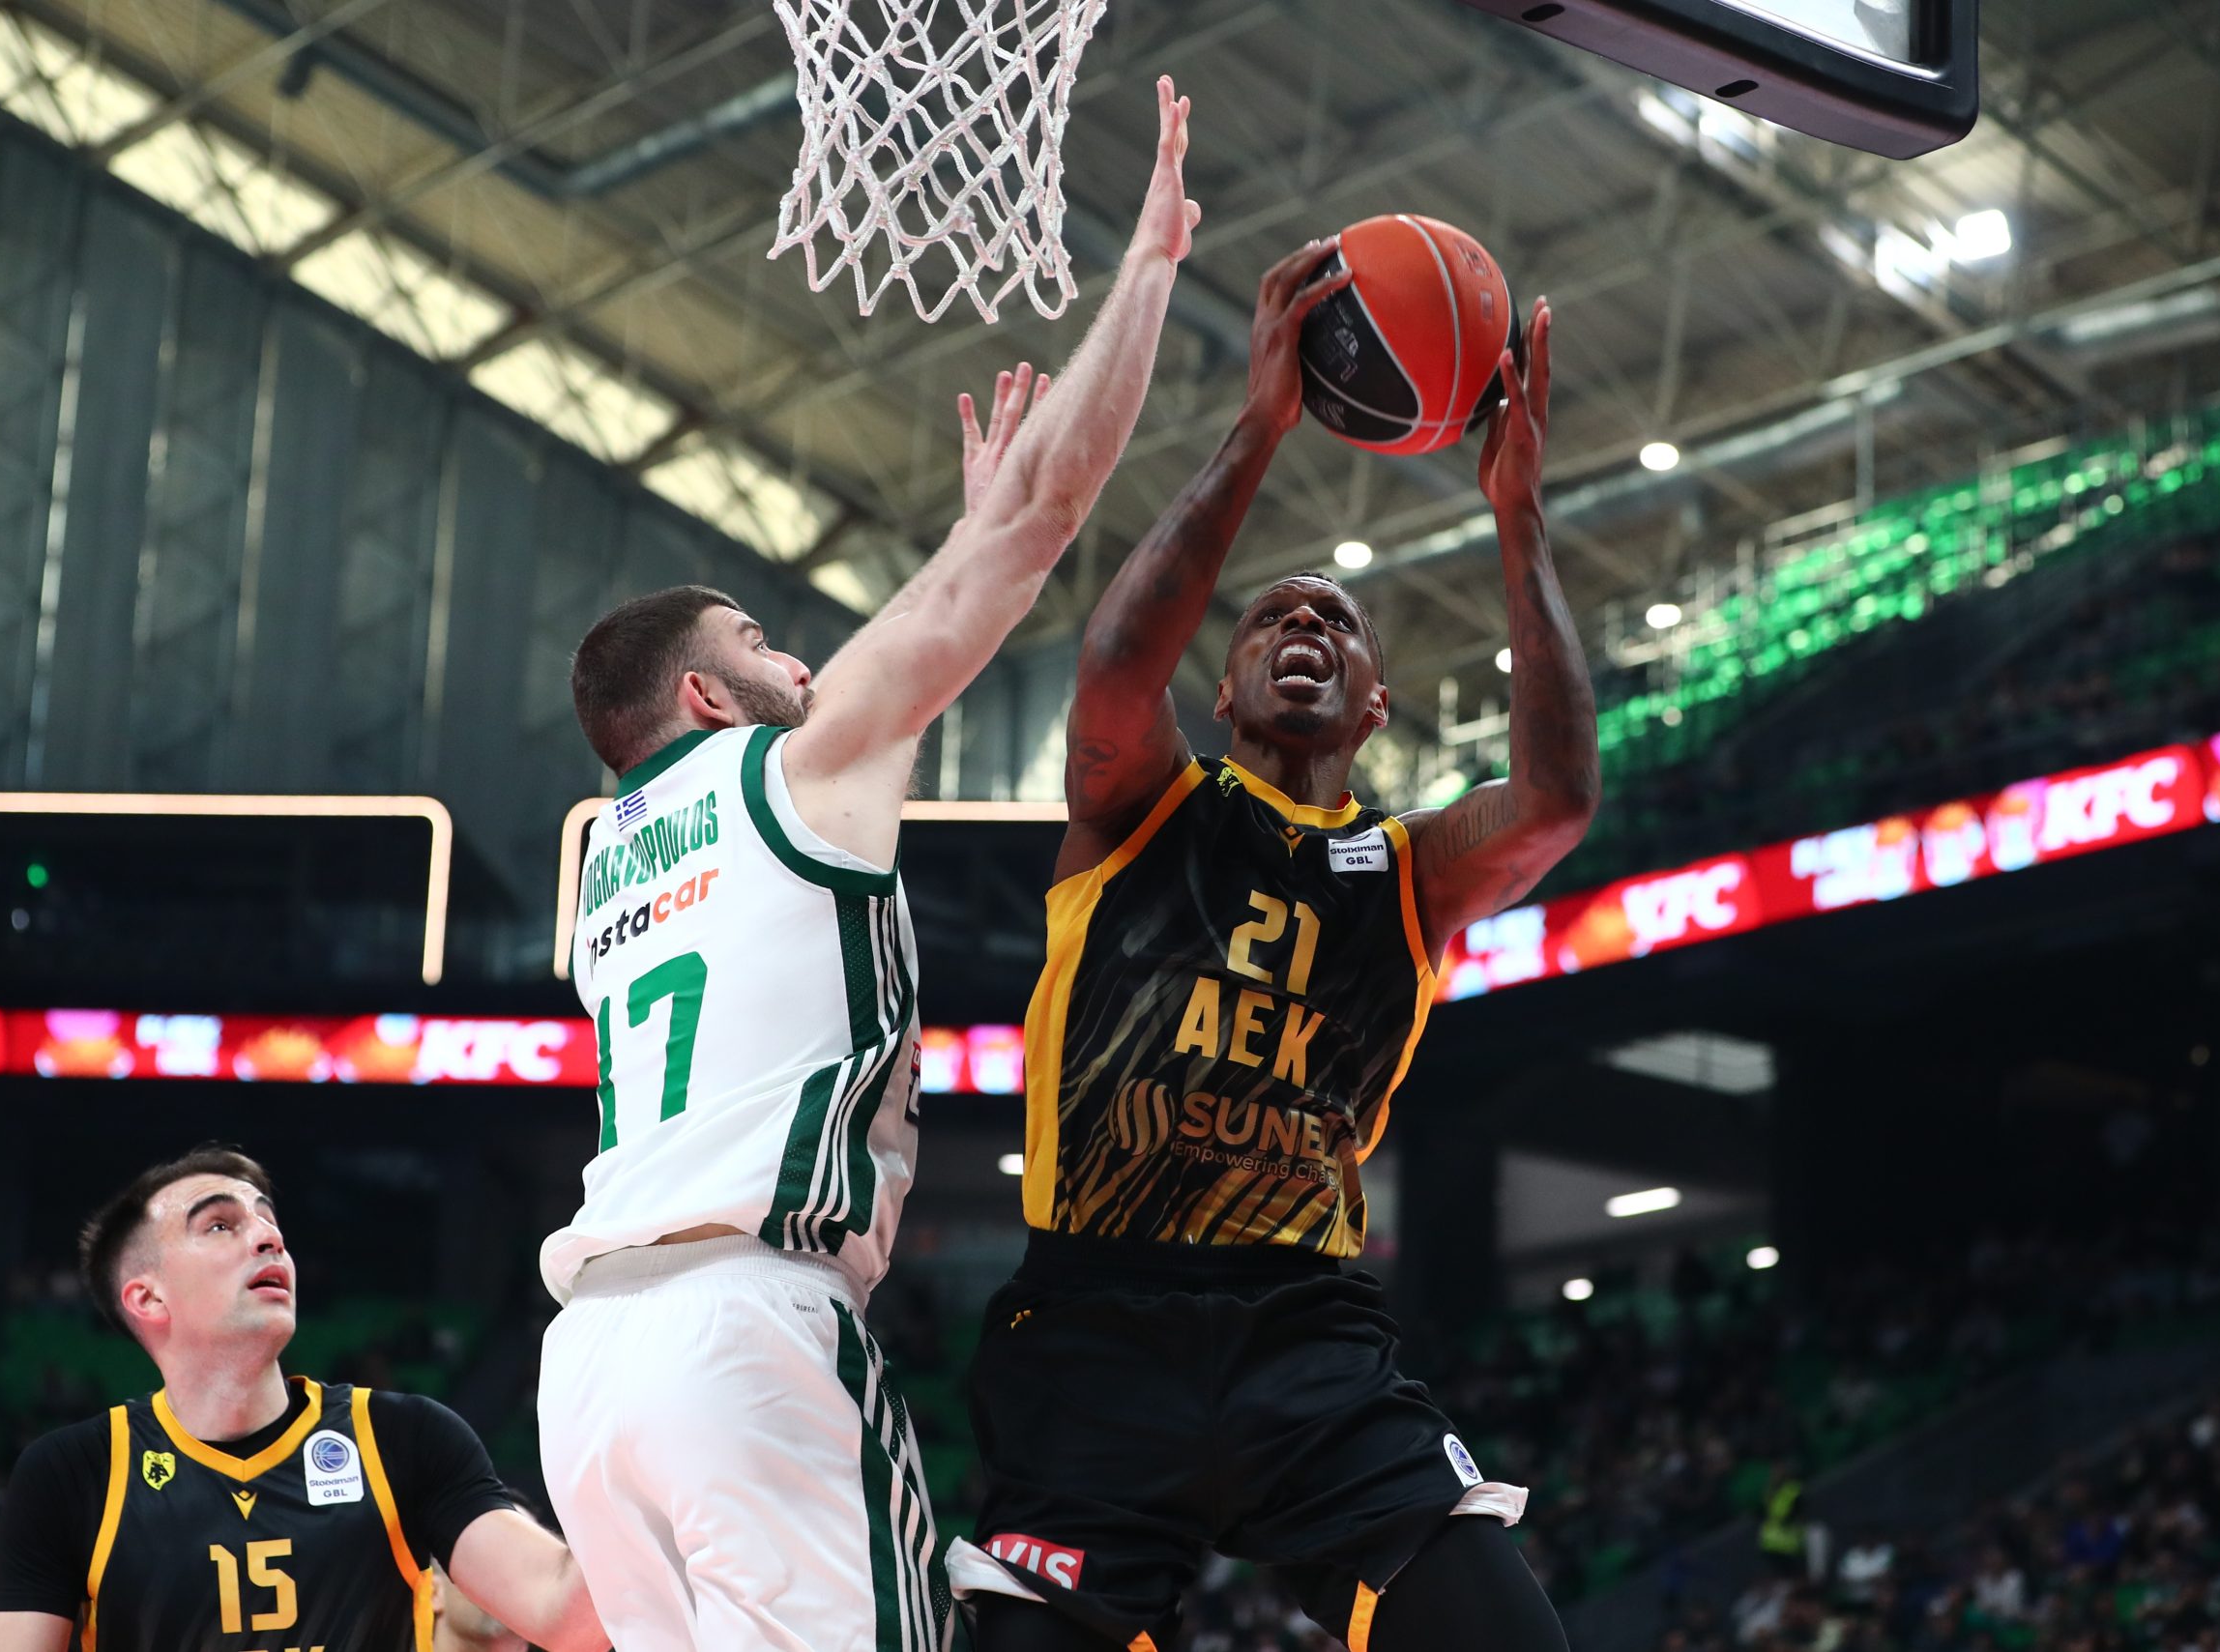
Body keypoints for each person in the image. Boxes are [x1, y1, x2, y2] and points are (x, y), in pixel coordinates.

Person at [534, 75, 1199, 1652]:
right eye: (758, 638)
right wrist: (1153, 264)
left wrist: (968, 561)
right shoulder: (793, 765)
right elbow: (1045, 516)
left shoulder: (613, 872)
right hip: (744, 1328)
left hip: (589, 1376)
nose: (795, 656)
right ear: (706, 697)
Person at [947, 243, 1595, 1651]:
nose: (1305, 624)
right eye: (1273, 618)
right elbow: (1116, 666)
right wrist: (1261, 424)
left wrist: (1518, 514)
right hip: (1095, 1323)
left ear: (1373, 705)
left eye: (1336, 621)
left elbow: (1555, 801)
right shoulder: (1139, 804)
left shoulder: (1410, 869)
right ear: (1228, 690)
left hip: (1307, 1338)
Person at [0, 1146, 603, 1652]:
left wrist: (641, 1440)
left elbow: (563, 1615)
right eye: (220, 1225)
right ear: (149, 1297)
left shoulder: (404, 1436)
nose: (267, 1237)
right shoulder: (74, 1473)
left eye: (267, 1219)